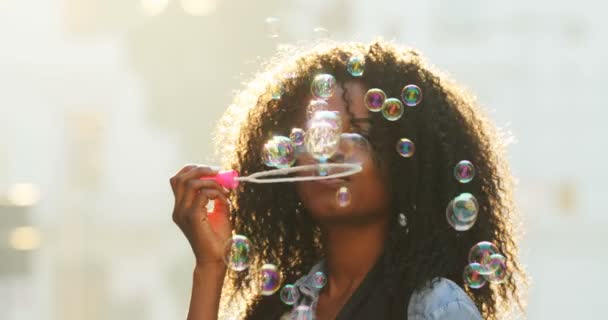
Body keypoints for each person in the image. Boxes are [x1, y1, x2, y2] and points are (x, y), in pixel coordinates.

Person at [170, 40, 526, 320]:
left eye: (360, 133)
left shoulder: (432, 305)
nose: (334, 153)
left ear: (407, 161)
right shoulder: (278, 308)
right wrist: (210, 266)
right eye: (319, 137)